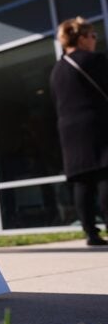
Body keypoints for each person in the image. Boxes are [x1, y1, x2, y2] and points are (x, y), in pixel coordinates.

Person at [50, 16, 108, 247]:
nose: (95, 40)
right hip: (97, 122)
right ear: (82, 38)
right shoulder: (94, 60)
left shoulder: (56, 70)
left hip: (69, 130)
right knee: (105, 172)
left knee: (82, 180)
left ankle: (90, 233)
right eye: (93, 35)